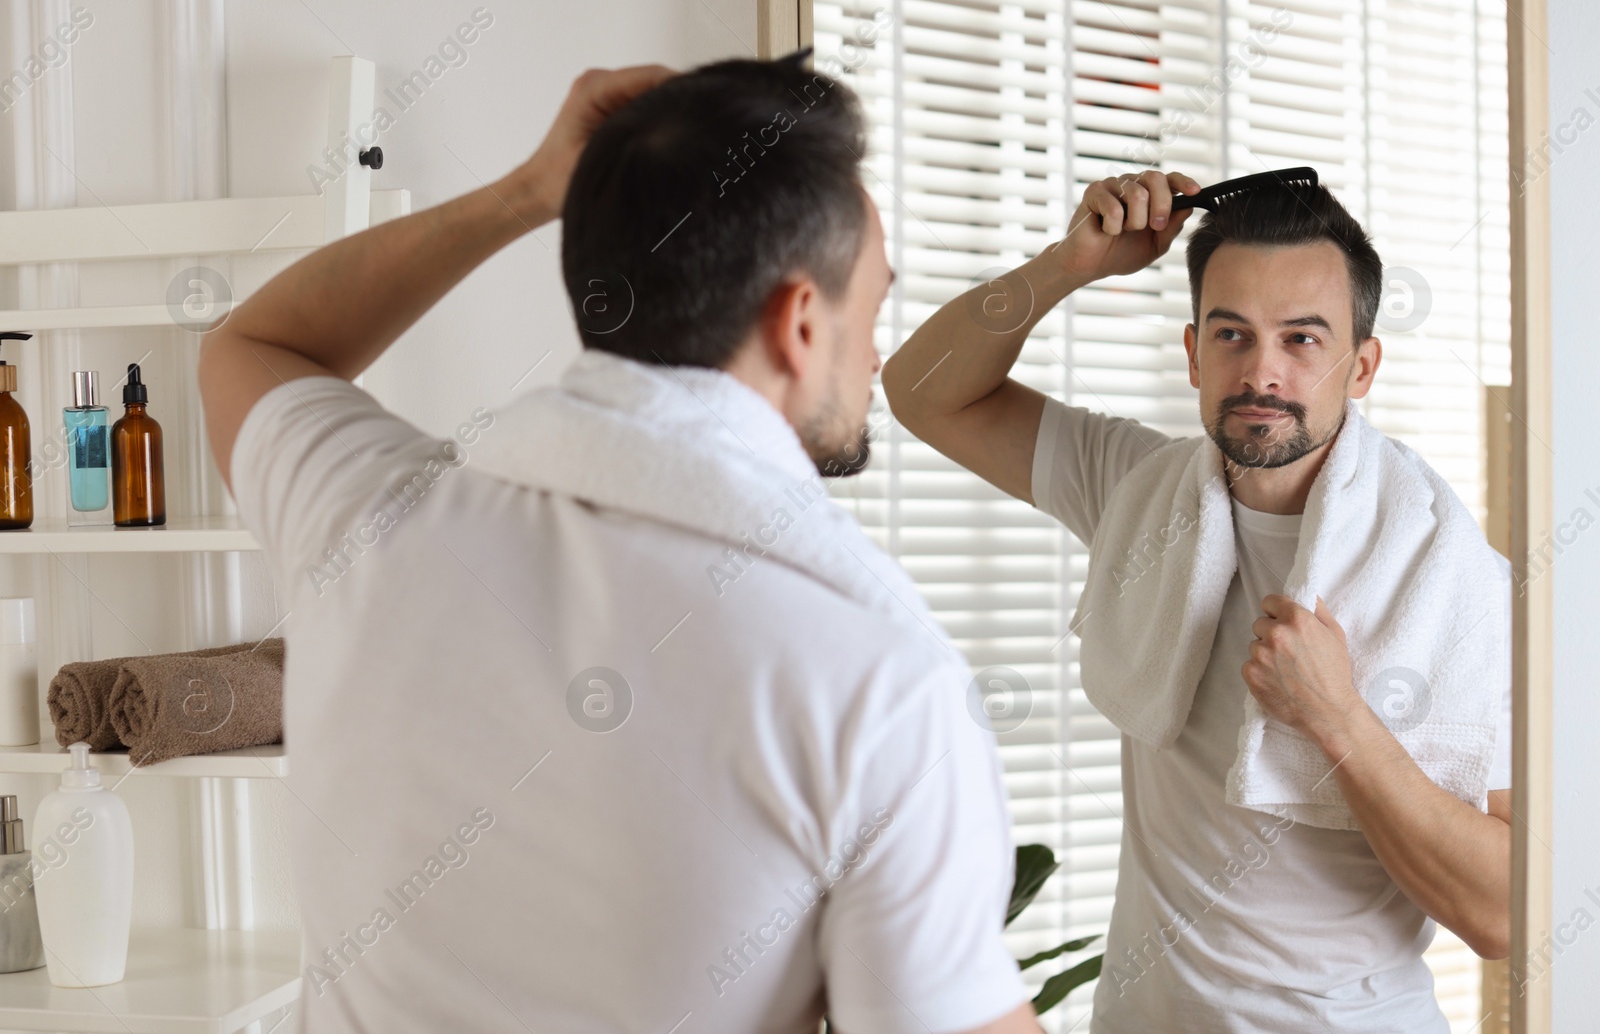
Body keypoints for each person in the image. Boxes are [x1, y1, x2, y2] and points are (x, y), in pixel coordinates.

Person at [198, 54, 1044, 1034]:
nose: (877, 357)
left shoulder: (365, 518)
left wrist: (523, 192)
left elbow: (252, 347)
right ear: (800, 323)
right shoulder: (879, 681)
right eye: (874, 307)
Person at [882, 170, 1513, 1032]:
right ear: (1191, 353)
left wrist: (1338, 720)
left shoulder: (1454, 575)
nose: (1263, 371)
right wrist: (1067, 266)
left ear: (1361, 366)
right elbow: (922, 388)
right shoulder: (1136, 491)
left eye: (1302, 339)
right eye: (1232, 334)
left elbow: (1507, 912)